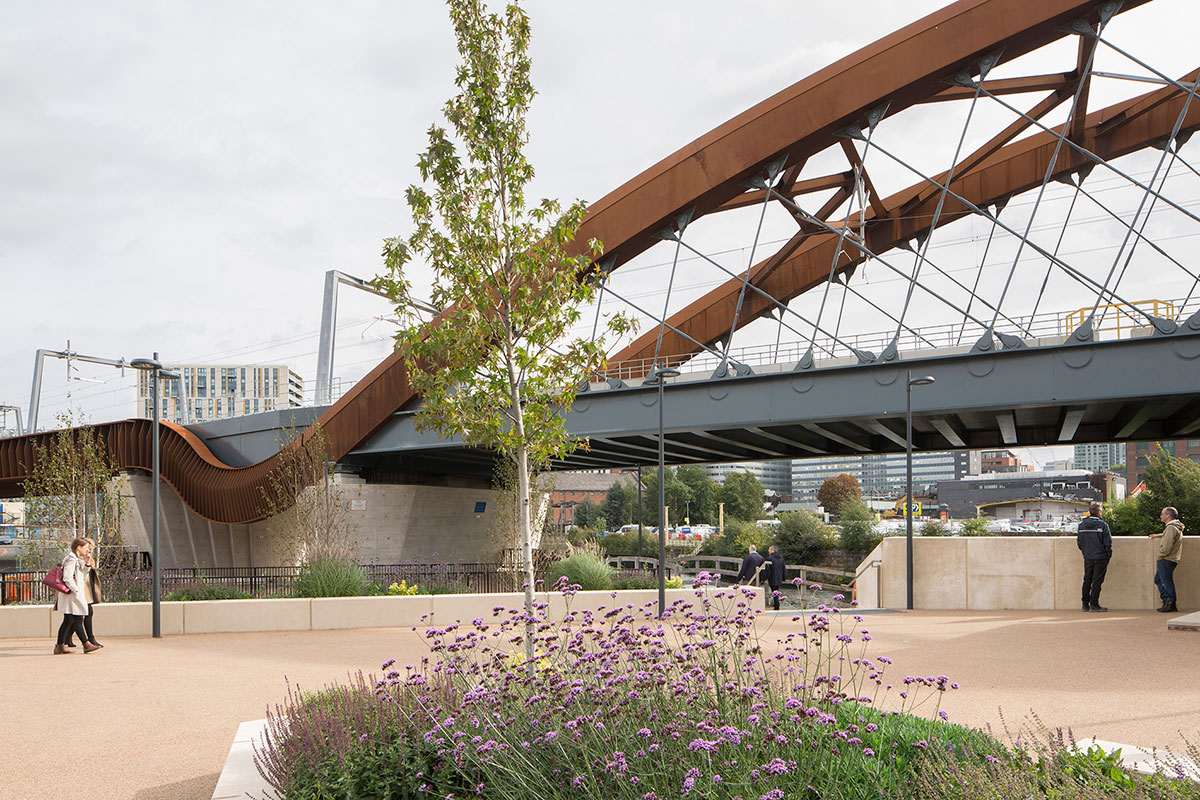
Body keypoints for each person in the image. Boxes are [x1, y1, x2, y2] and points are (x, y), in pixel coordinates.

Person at [54, 537, 100, 654]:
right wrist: (76, 591)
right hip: (72, 595)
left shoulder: (75, 559)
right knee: (77, 619)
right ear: (79, 548)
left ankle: (60, 645)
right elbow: (67, 578)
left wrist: (87, 564)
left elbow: (82, 575)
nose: (88, 550)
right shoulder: (71, 559)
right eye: (85, 547)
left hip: (73, 594)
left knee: (69, 620)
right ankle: (86, 644)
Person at [1076, 501, 1112, 612]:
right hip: (1100, 557)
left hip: (1088, 556)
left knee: (1087, 579)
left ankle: (1085, 604)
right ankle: (1094, 604)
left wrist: (1085, 552)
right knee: (1097, 581)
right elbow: (1107, 542)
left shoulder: (1082, 525)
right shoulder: (1103, 525)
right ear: (1099, 512)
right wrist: (1108, 555)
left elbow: (1079, 542)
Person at [1149, 506, 1184, 613]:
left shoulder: (1171, 528)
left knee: (1165, 581)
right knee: (1159, 579)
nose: (1161, 516)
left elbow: (1167, 545)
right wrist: (1158, 536)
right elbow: (1167, 536)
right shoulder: (1174, 527)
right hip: (1172, 558)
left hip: (1167, 558)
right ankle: (1168, 602)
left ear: (1168, 515)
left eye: (1162, 514)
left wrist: (1161, 554)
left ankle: (1169, 603)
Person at [760, 544, 785, 611]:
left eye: (769, 549)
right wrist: (783, 577)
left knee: (774, 591)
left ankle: (777, 605)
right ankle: (776, 604)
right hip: (779, 577)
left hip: (772, 577)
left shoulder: (769, 558)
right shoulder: (781, 558)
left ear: (772, 550)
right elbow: (783, 568)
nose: (768, 551)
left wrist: (764, 577)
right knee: (776, 590)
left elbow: (767, 569)